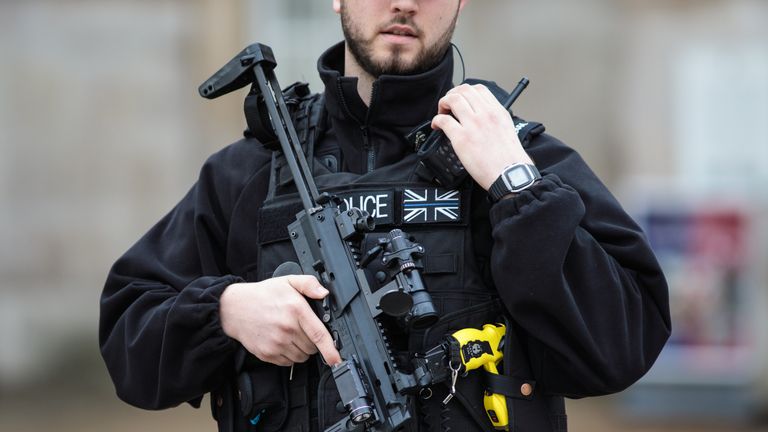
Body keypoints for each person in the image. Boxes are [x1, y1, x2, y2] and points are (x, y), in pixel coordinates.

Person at [99, 1, 671, 431]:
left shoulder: (522, 161)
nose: (404, 2)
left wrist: (515, 188)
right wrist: (224, 310)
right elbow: (129, 336)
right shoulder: (249, 174)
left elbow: (624, 345)